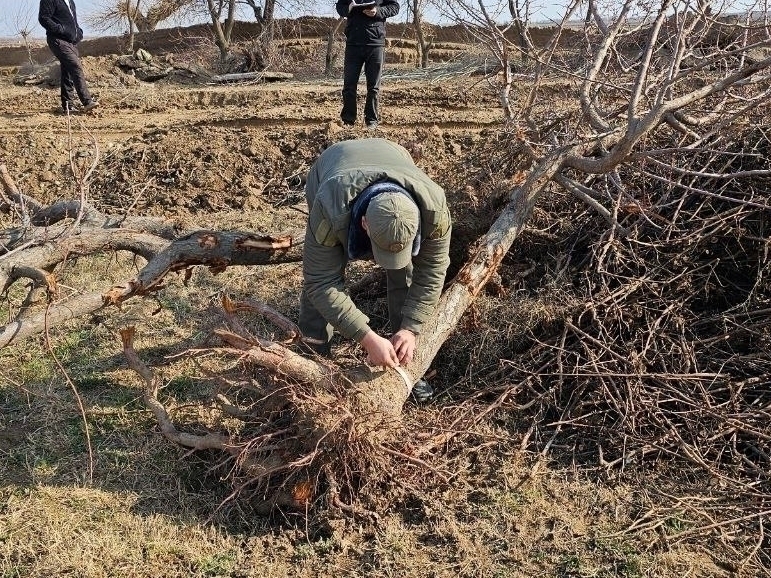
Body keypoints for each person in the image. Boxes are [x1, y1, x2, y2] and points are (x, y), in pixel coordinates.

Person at [299, 138, 452, 369]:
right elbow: (321, 282)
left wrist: (410, 328)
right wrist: (366, 337)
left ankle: (403, 356)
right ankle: (313, 356)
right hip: (333, 165)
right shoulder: (329, 207)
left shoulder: (435, 210)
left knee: (405, 272)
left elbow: (433, 271)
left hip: (393, 154)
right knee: (323, 273)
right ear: (364, 224)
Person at [335, 0, 400, 128]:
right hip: (353, 43)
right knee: (349, 85)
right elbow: (339, 6)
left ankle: (371, 121)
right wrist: (349, 8)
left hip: (375, 43)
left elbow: (395, 7)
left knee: (373, 87)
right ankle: (348, 120)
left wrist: (378, 11)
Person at [38, 0, 98, 114]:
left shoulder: (70, 1)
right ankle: (87, 101)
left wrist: (78, 33)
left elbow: (73, 21)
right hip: (57, 40)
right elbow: (43, 18)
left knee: (68, 71)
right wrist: (60, 29)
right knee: (75, 66)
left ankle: (67, 106)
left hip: (71, 42)